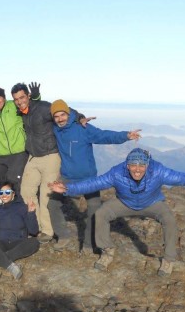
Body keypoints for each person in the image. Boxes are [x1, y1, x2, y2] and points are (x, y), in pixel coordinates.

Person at [49, 148, 185, 276]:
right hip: (125, 202)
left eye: (141, 166)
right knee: (101, 214)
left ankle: (168, 260)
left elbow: (181, 178)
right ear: (127, 166)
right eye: (133, 165)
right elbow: (94, 183)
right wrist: (67, 189)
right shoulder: (117, 173)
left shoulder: (158, 171)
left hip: (152, 203)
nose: (137, 169)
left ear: (147, 165)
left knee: (169, 219)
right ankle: (107, 252)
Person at [50, 99, 141, 251]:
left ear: (68, 114)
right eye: (56, 116)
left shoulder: (82, 128)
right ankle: (63, 236)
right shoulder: (55, 130)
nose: (60, 119)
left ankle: (87, 244)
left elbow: (103, 136)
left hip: (89, 179)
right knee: (52, 205)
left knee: (94, 210)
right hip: (67, 178)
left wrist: (126, 136)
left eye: (62, 115)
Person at [11, 83, 90, 246]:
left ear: (28, 96)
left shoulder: (42, 107)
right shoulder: (21, 113)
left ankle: (47, 231)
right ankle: (35, 227)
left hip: (50, 156)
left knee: (46, 194)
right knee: (26, 191)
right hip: (33, 157)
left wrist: (80, 117)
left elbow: (63, 111)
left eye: (22, 97)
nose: (19, 101)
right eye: (16, 99)